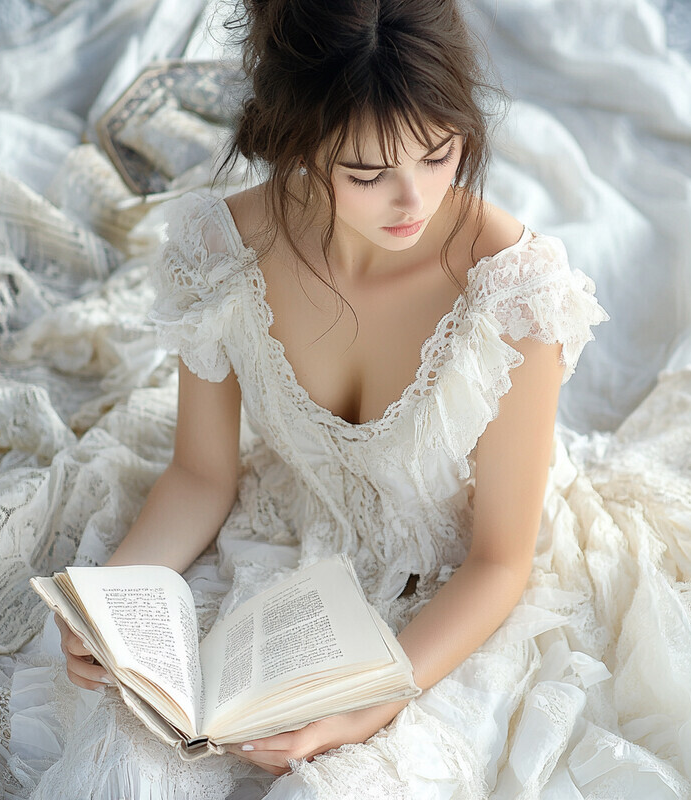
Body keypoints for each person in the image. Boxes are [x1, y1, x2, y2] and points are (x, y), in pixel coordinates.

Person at [33, 0, 609, 797]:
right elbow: (203, 476)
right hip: (283, 548)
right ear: (300, 146)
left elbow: (500, 560)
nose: (415, 201)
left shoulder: (513, 290)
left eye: (441, 154)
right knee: (127, 751)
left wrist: (363, 710)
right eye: (368, 174)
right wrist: (114, 603)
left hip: (446, 603)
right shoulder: (226, 251)